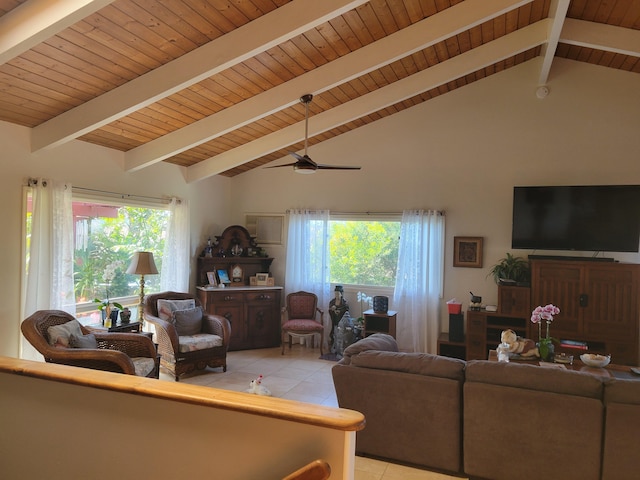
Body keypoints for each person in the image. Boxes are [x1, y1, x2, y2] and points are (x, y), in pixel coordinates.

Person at [329, 286, 349, 350]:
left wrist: (340, 311)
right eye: (335, 293)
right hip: (334, 319)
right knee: (334, 331)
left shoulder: (344, 302)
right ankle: (333, 345)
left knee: (340, 332)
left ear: (341, 294)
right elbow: (330, 309)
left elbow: (346, 310)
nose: (336, 295)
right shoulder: (332, 301)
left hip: (340, 319)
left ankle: (340, 347)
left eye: (338, 294)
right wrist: (333, 310)